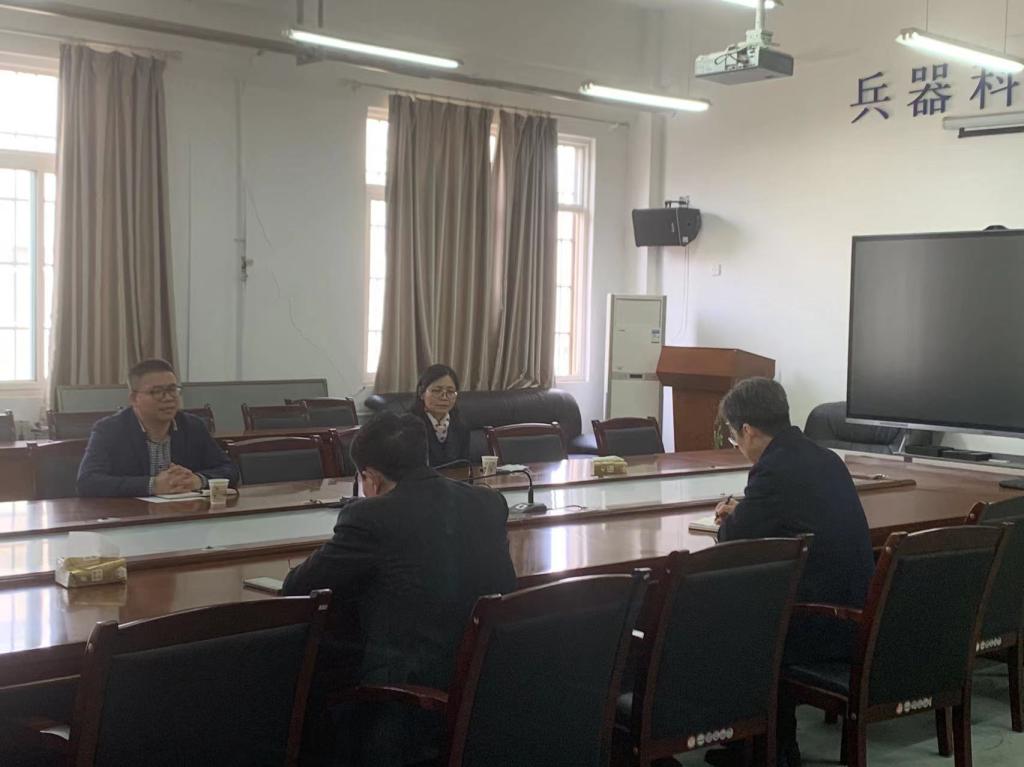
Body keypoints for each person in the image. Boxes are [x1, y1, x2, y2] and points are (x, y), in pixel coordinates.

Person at [282, 412, 517, 766]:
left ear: (371, 479)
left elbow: (298, 587)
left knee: (309, 680)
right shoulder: (488, 503)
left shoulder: (371, 517)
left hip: (407, 704)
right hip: (485, 689)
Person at [708, 377, 875, 767]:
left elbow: (732, 539)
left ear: (748, 431)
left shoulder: (772, 470)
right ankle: (758, 742)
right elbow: (788, 513)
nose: (738, 447)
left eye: (734, 438)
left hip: (823, 624)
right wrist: (749, 510)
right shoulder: (825, 457)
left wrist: (734, 518)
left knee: (728, 621)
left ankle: (768, 749)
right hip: (861, 615)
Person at [77, 358, 238, 497]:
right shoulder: (109, 430)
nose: (168, 398)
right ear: (134, 398)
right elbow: (87, 482)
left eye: (172, 390)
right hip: (133, 517)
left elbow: (229, 469)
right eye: (157, 392)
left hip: (185, 513)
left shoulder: (193, 426)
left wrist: (198, 480)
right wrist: (152, 485)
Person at [410, 363, 471, 467]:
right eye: (437, 391)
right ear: (422, 393)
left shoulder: (461, 427)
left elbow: (464, 467)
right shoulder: (408, 426)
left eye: (450, 392)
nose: (444, 397)